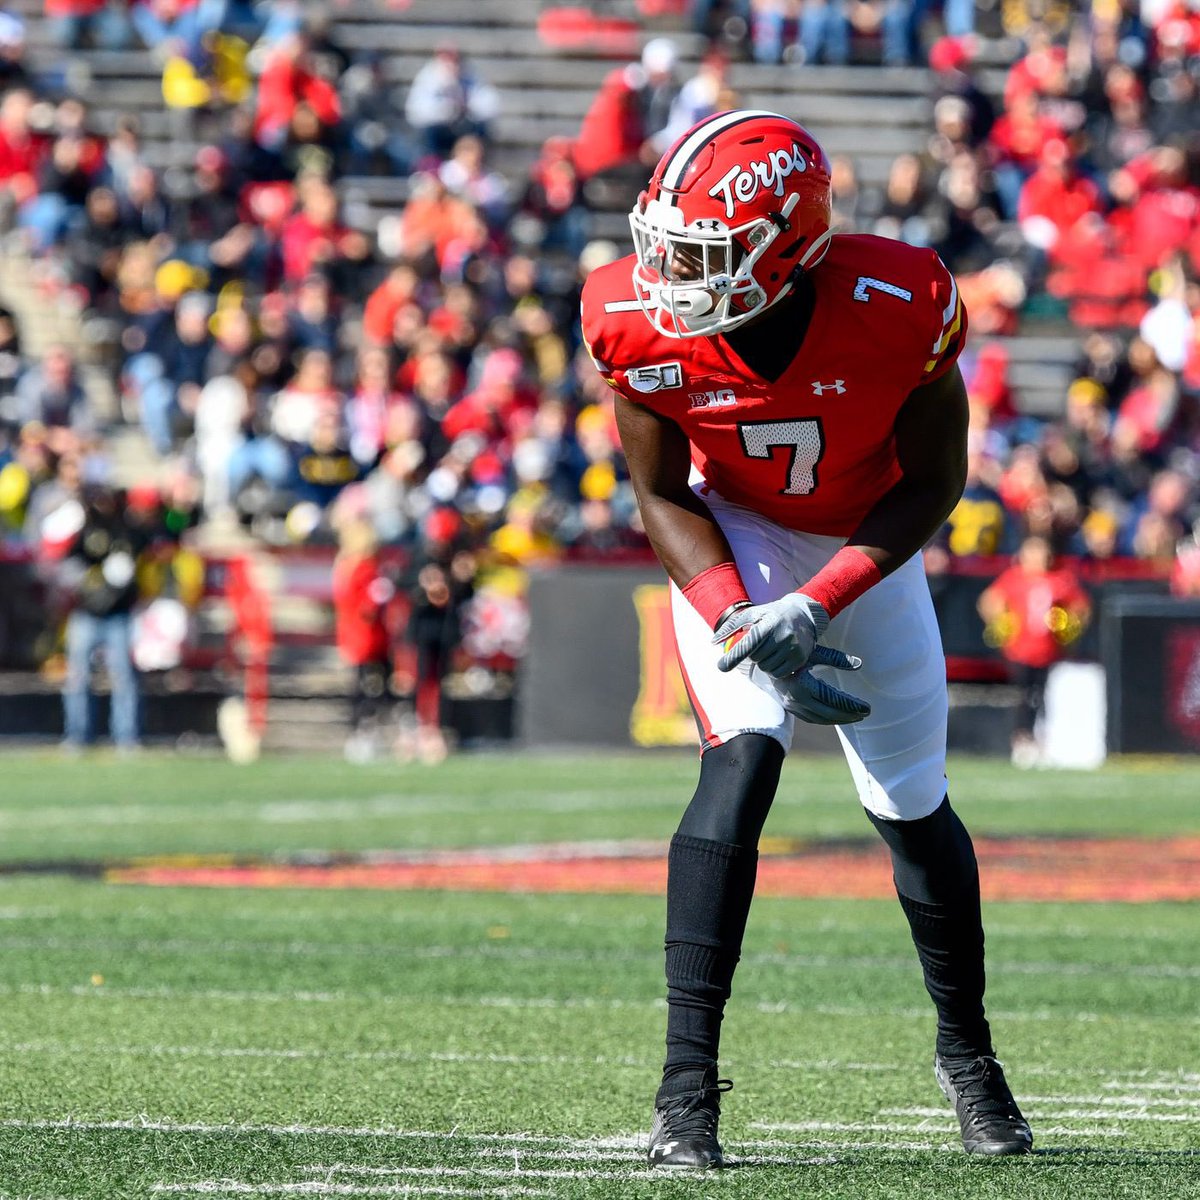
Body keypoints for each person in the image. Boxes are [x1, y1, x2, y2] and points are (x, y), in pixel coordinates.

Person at [579, 110, 1033, 1169]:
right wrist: (739, 607)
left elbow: (934, 481)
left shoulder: (897, 301)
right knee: (743, 759)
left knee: (910, 802)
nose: (674, 278)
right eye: (670, 248)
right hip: (732, 537)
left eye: (706, 254)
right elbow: (658, 489)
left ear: (787, 247)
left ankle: (968, 1055)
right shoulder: (630, 318)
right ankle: (684, 1092)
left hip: (862, 550)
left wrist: (819, 600)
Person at [978, 534, 1091, 767]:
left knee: (1043, 694)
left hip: (1048, 650)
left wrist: (1069, 628)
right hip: (1019, 649)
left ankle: (1042, 738)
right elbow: (988, 601)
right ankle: (1021, 739)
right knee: (1022, 694)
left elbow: (1082, 607)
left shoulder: (1059, 578)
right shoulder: (1013, 578)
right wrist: (1000, 623)